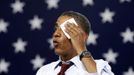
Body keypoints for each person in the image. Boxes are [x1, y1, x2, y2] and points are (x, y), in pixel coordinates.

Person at [36, 11, 114, 75]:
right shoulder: (43, 71)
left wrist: (81, 49)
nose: (56, 34)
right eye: (56, 28)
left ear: (83, 37)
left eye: (64, 29)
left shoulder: (99, 67)